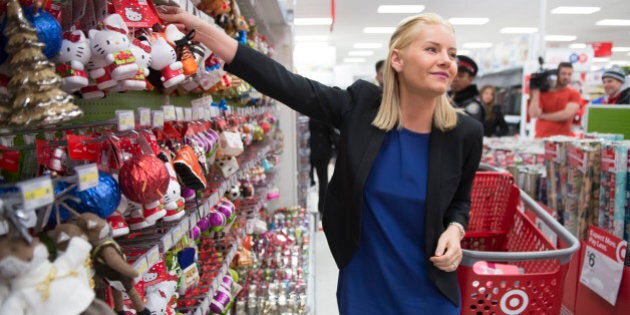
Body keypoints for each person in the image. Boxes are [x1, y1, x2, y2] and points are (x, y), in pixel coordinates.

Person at [158, 7, 482, 314]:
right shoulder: (360, 109)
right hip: (367, 287)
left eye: (451, 54)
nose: (446, 61)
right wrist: (200, 29)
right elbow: (283, 82)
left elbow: (460, 201)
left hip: (431, 291)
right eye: (432, 49)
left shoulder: (464, 133)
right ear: (396, 59)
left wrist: (455, 229)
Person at [528, 62, 581, 138]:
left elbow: (566, 115)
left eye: (569, 74)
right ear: (557, 74)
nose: (566, 77)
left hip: (562, 140)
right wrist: (536, 93)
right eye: (563, 74)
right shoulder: (543, 93)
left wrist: (543, 116)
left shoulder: (574, 94)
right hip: (541, 138)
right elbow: (533, 114)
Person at [309, 118, 336, 215]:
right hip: (323, 151)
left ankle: (322, 206)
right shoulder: (324, 117)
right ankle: (322, 207)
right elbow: (332, 133)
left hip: (314, 151)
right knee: (323, 180)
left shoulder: (312, 117)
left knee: (320, 179)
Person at [449, 55, 484, 123]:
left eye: (461, 76)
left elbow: (469, 128)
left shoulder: (473, 104)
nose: (455, 79)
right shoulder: (445, 97)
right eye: (452, 74)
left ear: (471, 79)